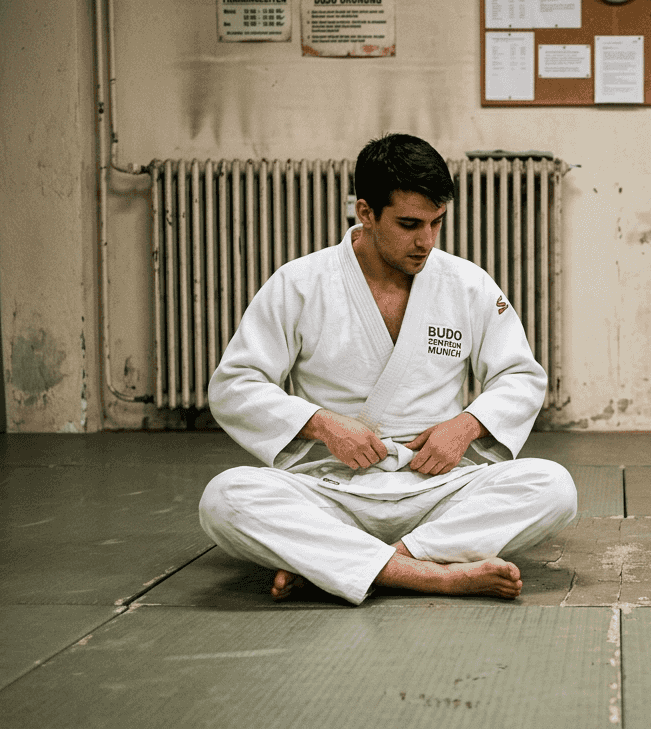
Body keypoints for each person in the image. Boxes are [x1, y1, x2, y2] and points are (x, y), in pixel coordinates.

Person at [199, 133, 577, 605]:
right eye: (409, 224)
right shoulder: (301, 283)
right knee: (224, 497)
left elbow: (519, 376)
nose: (426, 241)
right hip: (334, 487)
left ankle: (342, 563)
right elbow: (235, 384)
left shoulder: (466, 284)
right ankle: (432, 574)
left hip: (436, 487)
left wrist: (466, 425)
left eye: (437, 222)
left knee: (554, 487)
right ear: (366, 212)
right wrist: (322, 425)